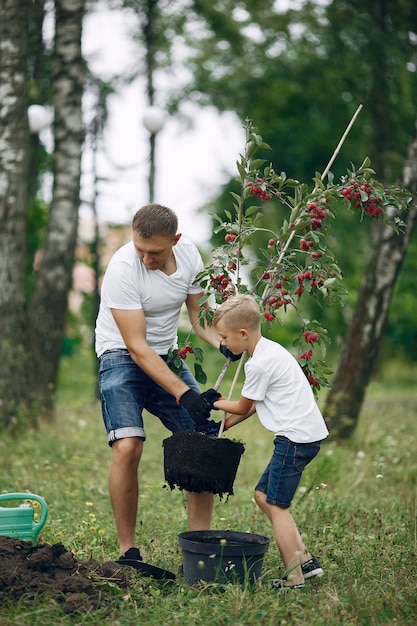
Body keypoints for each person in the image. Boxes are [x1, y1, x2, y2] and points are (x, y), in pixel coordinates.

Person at [95, 203, 231, 569]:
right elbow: (137, 348)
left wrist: (224, 343)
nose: (145, 257)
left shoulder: (189, 257)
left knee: (203, 440)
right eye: (140, 248)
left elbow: (199, 318)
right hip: (121, 355)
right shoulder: (124, 269)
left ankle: (199, 549)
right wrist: (184, 393)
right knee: (127, 446)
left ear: (176, 240)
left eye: (154, 252)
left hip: (165, 355)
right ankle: (128, 552)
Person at [211, 293, 329, 589]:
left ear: (243, 333)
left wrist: (214, 401)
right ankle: (305, 560)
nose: (223, 345)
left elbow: (240, 405)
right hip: (301, 436)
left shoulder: (259, 364)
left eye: (224, 338)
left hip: (294, 439)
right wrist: (223, 425)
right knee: (263, 497)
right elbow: (250, 407)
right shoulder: (269, 351)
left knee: (277, 506)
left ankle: (294, 578)